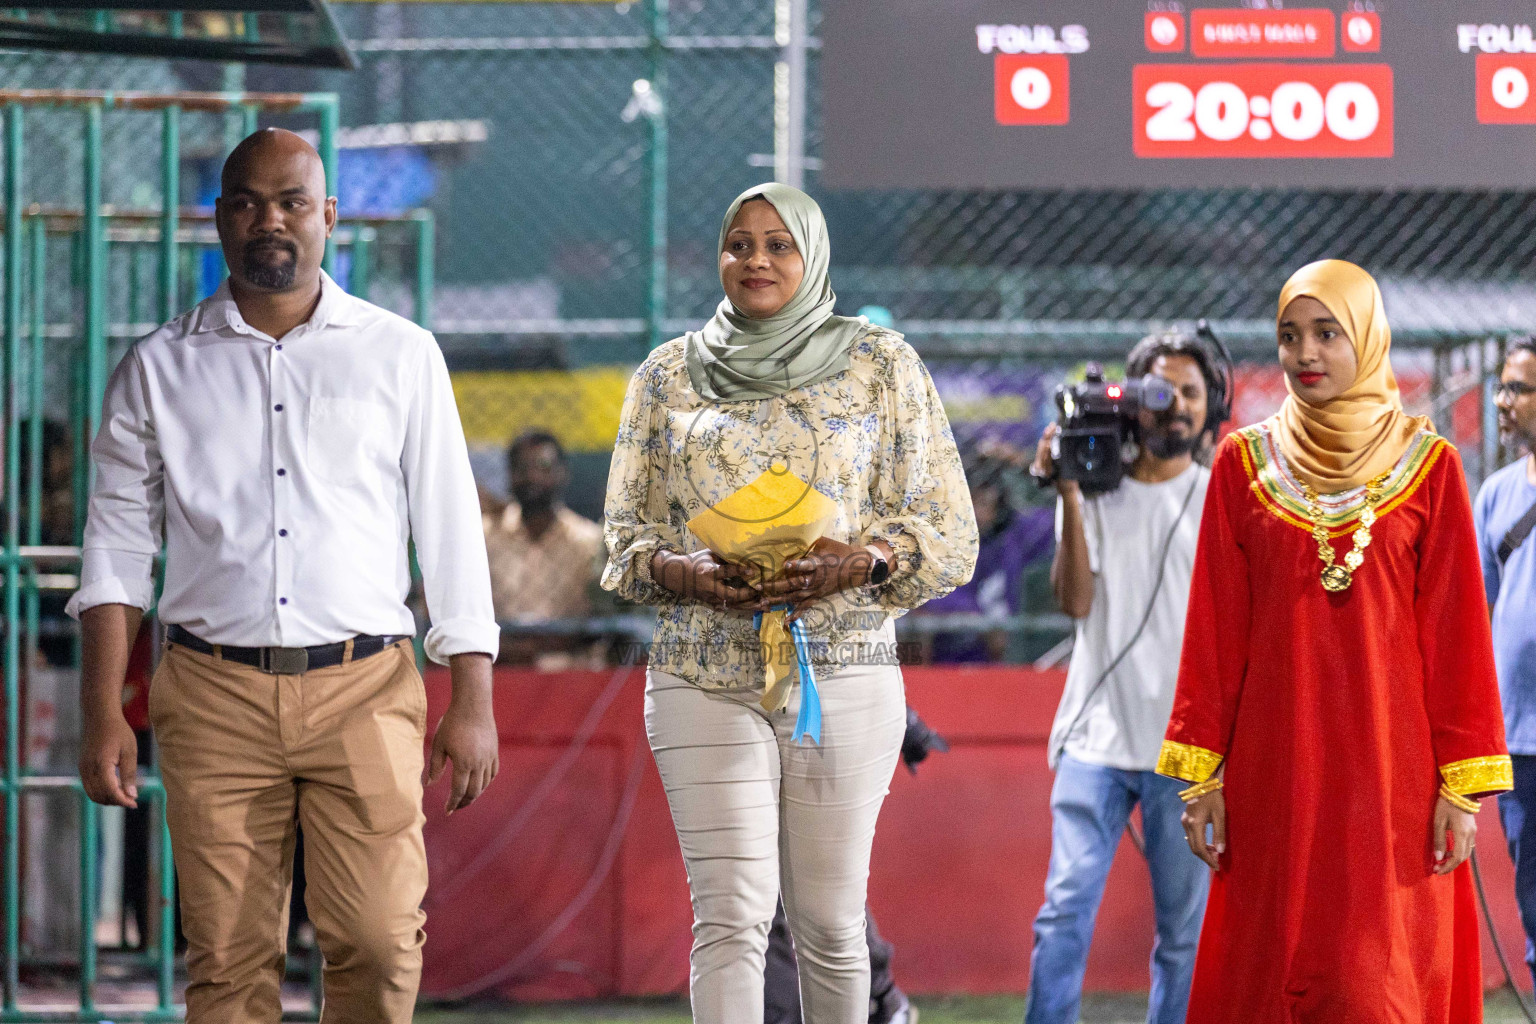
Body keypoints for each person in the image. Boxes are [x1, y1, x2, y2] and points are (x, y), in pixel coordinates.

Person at [68, 128, 500, 1024]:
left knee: (380, 944)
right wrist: (102, 707)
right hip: (210, 693)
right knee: (226, 963)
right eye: (248, 202)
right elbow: (113, 544)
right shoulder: (157, 368)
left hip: (367, 688)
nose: (271, 220)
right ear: (219, 219)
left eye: (293, 202)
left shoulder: (401, 353)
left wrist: (474, 695)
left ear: (329, 217)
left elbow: (450, 528)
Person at [602, 182, 977, 1024]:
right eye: (740, 243)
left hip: (844, 670)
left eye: (779, 244)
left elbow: (948, 527)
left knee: (830, 925)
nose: (757, 260)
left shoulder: (882, 364)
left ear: (812, 257)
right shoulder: (666, 375)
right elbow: (622, 538)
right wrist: (683, 573)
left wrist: (865, 561)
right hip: (702, 672)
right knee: (731, 917)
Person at [1162, 259, 1511, 1024]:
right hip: (1273, 769)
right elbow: (1213, 632)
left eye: (1326, 333)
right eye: (1290, 336)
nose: (1305, 354)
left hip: (1394, 776)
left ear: (1367, 337)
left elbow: (1457, 638)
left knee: (1374, 981)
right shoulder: (1242, 465)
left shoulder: (1431, 468)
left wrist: (1462, 789)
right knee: (1274, 970)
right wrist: (1202, 775)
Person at [1021, 330, 1223, 1024]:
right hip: (1095, 741)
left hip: (1185, 752)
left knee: (1183, 936)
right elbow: (1076, 603)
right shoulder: (1094, 489)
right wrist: (1071, 496)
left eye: (1189, 395)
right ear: (1128, 404)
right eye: (1157, 393)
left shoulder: (1222, 496)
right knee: (1063, 911)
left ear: (1210, 405)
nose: (1173, 409)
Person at [1477, 336, 1536, 988]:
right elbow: (1475, 616)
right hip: (1521, 743)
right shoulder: (1494, 494)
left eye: (1518, 389)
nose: (1502, 401)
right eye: (1502, 387)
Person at [483, 429, 607, 667]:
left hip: (569, 675)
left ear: (563, 473)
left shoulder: (589, 542)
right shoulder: (484, 538)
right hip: (498, 669)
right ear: (509, 475)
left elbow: (601, 620)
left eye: (543, 466)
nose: (532, 477)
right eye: (522, 468)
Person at [919, 455, 1052, 663]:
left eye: (983, 503)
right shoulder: (941, 543)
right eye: (968, 503)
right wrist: (980, 621)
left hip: (1011, 655)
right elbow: (936, 597)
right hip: (955, 658)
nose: (975, 513)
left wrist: (1024, 465)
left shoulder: (1015, 534)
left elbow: (1055, 518)